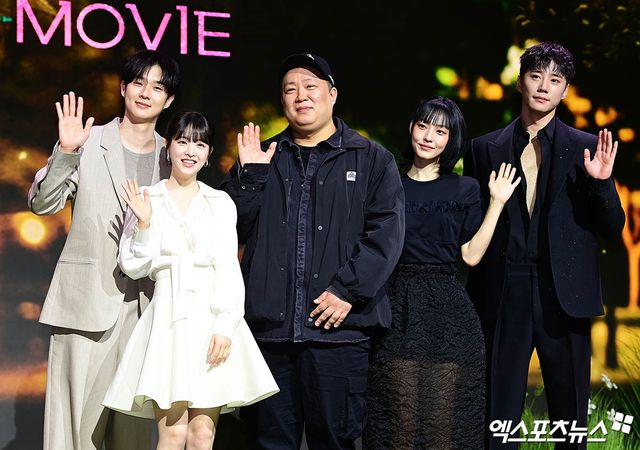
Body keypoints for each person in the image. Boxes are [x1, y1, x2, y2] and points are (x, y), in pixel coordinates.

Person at [220, 53, 405, 449]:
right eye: (290, 89)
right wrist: (250, 178)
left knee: (334, 441)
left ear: (332, 94)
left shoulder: (372, 159)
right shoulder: (262, 157)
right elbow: (226, 230)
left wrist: (347, 290)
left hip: (339, 332)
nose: (300, 95)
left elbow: (386, 234)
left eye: (310, 86)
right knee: (268, 442)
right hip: (270, 335)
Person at [464, 42, 625, 449]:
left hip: (564, 294)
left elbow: (612, 227)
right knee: (498, 416)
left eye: (555, 80)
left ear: (565, 90)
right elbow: (476, 223)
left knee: (570, 416)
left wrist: (602, 182)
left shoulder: (587, 147)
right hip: (504, 291)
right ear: (520, 82)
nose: (543, 87)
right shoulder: (485, 148)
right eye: (535, 76)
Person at [28, 50, 180, 450]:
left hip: (146, 311)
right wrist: (66, 152)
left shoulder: (173, 156)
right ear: (123, 88)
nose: (146, 93)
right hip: (86, 304)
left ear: (168, 100)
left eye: (157, 87)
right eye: (138, 83)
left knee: (132, 437)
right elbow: (43, 203)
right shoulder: (89, 141)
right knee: (75, 430)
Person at [102, 111, 279, 449]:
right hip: (167, 322)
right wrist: (144, 225)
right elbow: (133, 265)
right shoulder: (147, 198)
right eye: (182, 142)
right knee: (173, 434)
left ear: (209, 153)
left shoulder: (220, 202)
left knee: (202, 435)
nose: (190, 151)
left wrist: (225, 326)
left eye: (199, 144)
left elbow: (227, 267)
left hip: (210, 322)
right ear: (168, 147)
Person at [363, 97, 521, 449]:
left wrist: (497, 203)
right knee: (399, 424)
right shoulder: (387, 183)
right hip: (395, 307)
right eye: (423, 126)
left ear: (452, 139)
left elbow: (472, 255)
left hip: (447, 312)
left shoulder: (465, 188)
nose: (428, 137)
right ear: (411, 128)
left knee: (439, 428)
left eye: (440, 131)